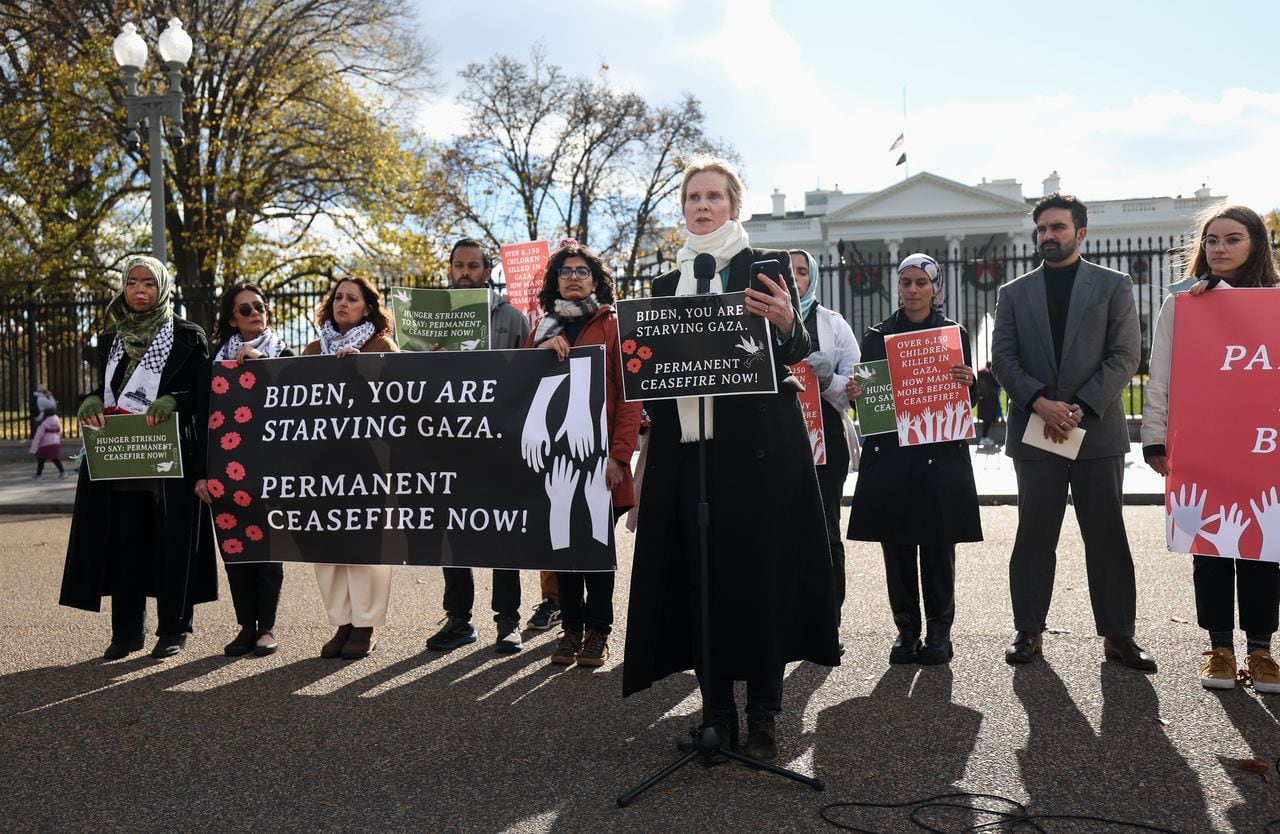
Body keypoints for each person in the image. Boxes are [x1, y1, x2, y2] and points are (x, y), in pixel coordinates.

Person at [622, 157, 840, 763]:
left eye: (714, 196)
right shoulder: (666, 288)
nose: (703, 205)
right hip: (689, 456)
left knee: (761, 572)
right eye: (693, 196)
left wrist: (788, 321)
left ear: (734, 207)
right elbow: (652, 379)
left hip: (760, 452)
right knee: (701, 576)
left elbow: (795, 350)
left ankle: (765, 713)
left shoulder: (763, 269)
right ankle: (716, 713)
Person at [991, 193, 1152, 671]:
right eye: (1041, 229)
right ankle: (1028, 631)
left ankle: (1119, 635)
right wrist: (1041, 401)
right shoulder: (1013, 293)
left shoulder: (1113, 285)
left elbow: (1125, 356)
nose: (1047, 236)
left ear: (1081, 233)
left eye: (1057, 228)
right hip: (1036, 429)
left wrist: (1078, 408)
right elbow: (1003, 359)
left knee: (1106, 535)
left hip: (1096, 432)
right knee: (1034, 535)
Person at [1141, 204, 1280, 693]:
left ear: (1255, 245)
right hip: (1203, 440)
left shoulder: (1278, 303)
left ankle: (1261, 651)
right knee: (1212, 543)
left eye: (1232, 239)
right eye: (1211, 240)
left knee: (1264, 545)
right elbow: (1161, 375)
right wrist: (1153, 436)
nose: (1218, 249)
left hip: (1264, 444)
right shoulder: (1184, 303)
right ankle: (1220, 648)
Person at [60, 255, 217, 659]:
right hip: (119, 456)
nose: (141, 290)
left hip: (170, 455)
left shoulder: (187, 335)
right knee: (125, 542)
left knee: (171, 543)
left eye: (149, 282)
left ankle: (173, 629)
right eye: (133, 282)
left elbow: (205, 396)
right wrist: (90, 398)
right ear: (124, 288)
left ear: (162, 287)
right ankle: (127, 632)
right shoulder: (111, 338)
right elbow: (102, 389)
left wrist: (173, 400)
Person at [845, 254, 982, 665]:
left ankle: (940, 632)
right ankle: (906, 630)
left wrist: (970, 383)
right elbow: (871, 408)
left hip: (939, 455)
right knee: (898, 546)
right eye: (906, 282)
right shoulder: (876, 336)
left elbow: (966, 399)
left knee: (939, 545)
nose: (913, 290)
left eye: (922, 282)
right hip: (892, 459)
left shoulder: (953, 333)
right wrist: (858, 396)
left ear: (935, 287)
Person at [528, 240, 642, 667]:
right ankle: (570, 628)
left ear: (596, 280)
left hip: (600, 461)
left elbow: (630, 398)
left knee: (594, 549)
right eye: (565, 272)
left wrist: (619, 456)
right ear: (555, 281)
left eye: (581, 271)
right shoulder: (541, 327)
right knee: (563, 547)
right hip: (556, 459)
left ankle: (598, 631)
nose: (573, 278)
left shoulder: (613, 324)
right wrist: (537, 352)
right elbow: (519, 386)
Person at [426, 238, 534, 654]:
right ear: (450, 270)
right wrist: (426, 355)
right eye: (459, 265)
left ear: (487, 271)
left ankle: (508, 621)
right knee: (452, 534)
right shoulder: (429, 320)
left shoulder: (512, 318)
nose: (465, 271)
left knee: (503, 533)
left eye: (474, 265)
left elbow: (530, 375)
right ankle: (459, 620)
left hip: (500, 443)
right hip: (447, 444)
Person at [302, 276, 398, 659]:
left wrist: (368, 368)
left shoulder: (380, 345)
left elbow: (405, 394)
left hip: (368, 463)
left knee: (364, 545)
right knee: (328, 547)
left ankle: (364, 627)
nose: (343, 303)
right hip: (322, 464)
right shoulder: (312, 349)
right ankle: (341, 623)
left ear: (367, 308)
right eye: (338, 297)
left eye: (352, 298)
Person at [195, 283, 293, 658]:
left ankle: (267, 627)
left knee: (269, 549)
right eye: (246, 310)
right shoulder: (216, 361)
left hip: (270, 468)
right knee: (236, 550)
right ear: (232, 319)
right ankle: (245, 627)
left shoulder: (284, 353)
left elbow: (296, 405)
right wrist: (201, 473)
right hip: (225, 469)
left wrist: (261, 364)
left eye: (260, 307)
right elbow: (202, 418)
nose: (256, 314)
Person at [789, 249, 861, 651]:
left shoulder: (833, 324)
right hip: (773, 442)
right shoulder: (758, 321)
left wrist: (828, 377)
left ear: (812, 277)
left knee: (825, 532)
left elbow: (855, 392)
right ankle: (787, 620)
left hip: (825, 440)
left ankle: (828, 622)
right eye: (789, 271)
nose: (796, 277)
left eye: (802, 271)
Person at [30, 407, 66, 479]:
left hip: (45, 444)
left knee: (41, 459)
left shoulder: (45, 422)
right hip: (55, 442)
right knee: (55, 458)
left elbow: (38, 435)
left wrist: (33, 448)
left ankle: (38, 475)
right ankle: (62, 472)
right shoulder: (57, 420)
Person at [975, 362, 1003, 448]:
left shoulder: (981, 374)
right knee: (988, 420)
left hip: (983, 401)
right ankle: (984, 438)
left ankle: (984, 437)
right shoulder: (991, 375)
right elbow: (998, 384)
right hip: (990, 401)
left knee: (986, 421)